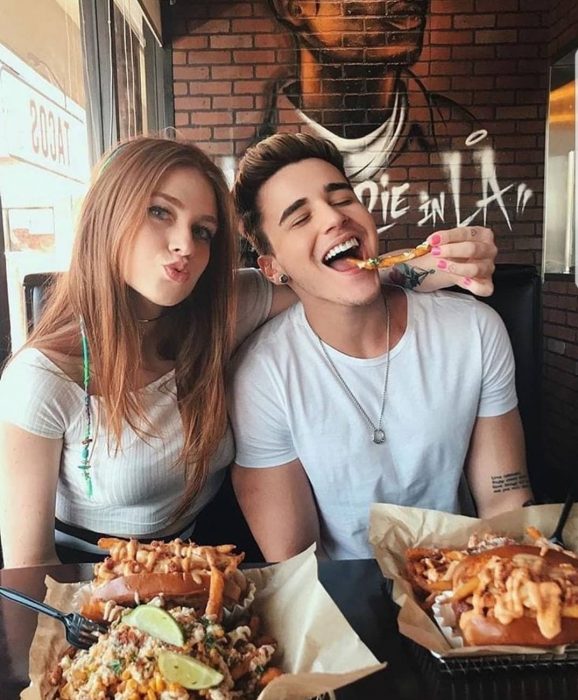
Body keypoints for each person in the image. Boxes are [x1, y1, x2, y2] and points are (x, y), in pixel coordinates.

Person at [0, 136, 496, 569]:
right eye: (160, 212)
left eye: (203, 231)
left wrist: (447, 265)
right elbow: (28, 566)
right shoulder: (41, 379)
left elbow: (336, 278)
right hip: (86, 579)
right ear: (107, 215)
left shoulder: (220, 310)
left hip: (204, 563)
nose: (184, 245)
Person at [229, 132, 533, 562]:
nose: (334, 219)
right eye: (300, 219)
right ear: (272, 267)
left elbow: (505, 503)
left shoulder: (475, 331)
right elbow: (296, 563)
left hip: (467, 584)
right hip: (343, 603)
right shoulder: (261, 377)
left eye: (342, 198)